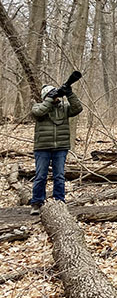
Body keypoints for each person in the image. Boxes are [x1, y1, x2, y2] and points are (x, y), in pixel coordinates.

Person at [29, 84, 84, 215]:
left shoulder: (64, 108)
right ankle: (36, 203)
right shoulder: (38, 106)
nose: (56, 97)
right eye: (52, 94)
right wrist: (49, 99)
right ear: (45, 97)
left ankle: (59, 201)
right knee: (40, 176)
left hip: (61, 146)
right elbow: (38, 113)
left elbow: (78, 108)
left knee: (59, 176)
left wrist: (70, 94)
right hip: (42, 147)